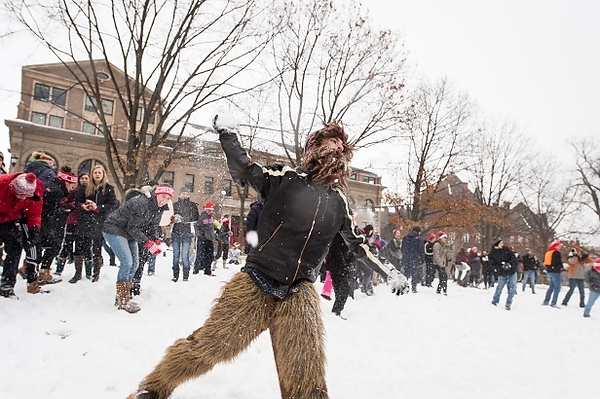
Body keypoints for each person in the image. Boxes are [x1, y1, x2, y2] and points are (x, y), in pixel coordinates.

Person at [124, 116, 405, 399]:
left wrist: (388, 271)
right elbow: (245, 170)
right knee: (213, 345)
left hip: (299, 290)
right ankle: (153, 388)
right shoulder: (286, 179)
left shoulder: (339, 201)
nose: (339, 148)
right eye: (333, 142)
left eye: (343, 146)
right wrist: (228, 134)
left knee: (306, 371)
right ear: (315, 147)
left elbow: (358, 245)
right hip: (257, 280)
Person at [103, 184, 173, 313]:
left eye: (168, 198)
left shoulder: (160, 208)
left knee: (135, 264)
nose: (164, 200)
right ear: (156, 193)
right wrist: (147, 243)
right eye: (163, 196)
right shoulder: (141, 202)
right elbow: (133, 227)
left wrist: (156, 239)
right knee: (127, 263)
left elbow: (153, 225)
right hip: (115, 228)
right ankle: (122, 301)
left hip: (129, 233)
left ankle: (124, 296)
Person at [70, 165, 119, 283]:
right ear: (92, 174)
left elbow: (112, 205)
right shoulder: (85, 187)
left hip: (99, 221)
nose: (97, 174)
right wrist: (83, 206)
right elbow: (77, 201)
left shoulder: (108, 188)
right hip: (84, 220)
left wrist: (98, 208)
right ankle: (77, 273)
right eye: (95, 172)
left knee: (97, 247)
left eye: (99, 173)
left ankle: (96, 273)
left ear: (103, 175)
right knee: (79, 246)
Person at [0, 172, 43, 298]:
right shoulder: (2, 184)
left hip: (11, 219)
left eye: (26, 195)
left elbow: (34, 213)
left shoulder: (36, 190)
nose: (23, 198)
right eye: (20, 194)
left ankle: (7, 285)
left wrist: (34, 228)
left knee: (15, 248)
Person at [34, 166, 79, 288]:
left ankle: (38, 271)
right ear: (66, 182)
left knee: (40, 247)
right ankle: (41, 273)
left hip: (39, 221)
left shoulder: (51, 185)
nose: (72, 188)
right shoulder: (56, 191)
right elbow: (51, 211)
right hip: (44, 223)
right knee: (53, 245)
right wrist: (66, 208)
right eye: (72, 185)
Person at [55, 172, 89, 276]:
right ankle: (59, 269)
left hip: (84, 223)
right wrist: (74, 205)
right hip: (72, 221)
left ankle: (86, 272)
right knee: (66, 245)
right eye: (82, 178)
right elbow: (64, 204)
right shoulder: (74, 192)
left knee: (84, 247)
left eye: (86, 178)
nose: (84, 180)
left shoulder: (91, 192)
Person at [170, 188, 199, 282]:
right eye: (183, 193)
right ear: (179, 195)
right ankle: (175, 274)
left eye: (187, 194)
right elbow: (169, 217)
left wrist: (184, 219)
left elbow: (196, 217)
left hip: (187, 232)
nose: (185, 195)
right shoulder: (174, 205)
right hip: (176, 232)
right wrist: (174, 218)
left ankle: (186, 274)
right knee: (175, 255)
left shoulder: (192, 205)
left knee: (185, 254)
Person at [489, 237, 518, 310]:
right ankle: (495, 301)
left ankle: (508, 303)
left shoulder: (506, 249)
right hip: (502, 273)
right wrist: (500, 267)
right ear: (496, 244)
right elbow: (492, 265)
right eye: (501, 243)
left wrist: (509, 264)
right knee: (499, 288)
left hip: (512, 271)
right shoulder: (492, 254)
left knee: (512, 288)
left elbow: (513, 258)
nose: (502, 244)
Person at [193, 201, 217, 276]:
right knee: (200, 254)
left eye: (212, 210)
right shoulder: (201, 216)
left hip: (209, 238)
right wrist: (200, 235)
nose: (210, 212)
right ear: (206, 209)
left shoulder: (212, 217)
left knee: (209, 255)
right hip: (202, 238)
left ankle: (207, 271)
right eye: (209, 210)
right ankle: (196, 269)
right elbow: (196, 226)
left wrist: (214, 234)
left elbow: (212, 227)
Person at [401, 226, 424, 293]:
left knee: (406, 272)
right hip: (414, 257)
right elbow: (421, 250)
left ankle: (404, 285)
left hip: (406, 257)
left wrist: (404, 255)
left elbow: (402, 248)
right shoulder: (419, 239)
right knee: (414, 273)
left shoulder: (405, 237)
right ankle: (414, 287)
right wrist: (422, 258)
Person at [542, 240, 564, 308]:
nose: (559, 247)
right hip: (555, 272)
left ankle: (546, 301)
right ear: (555, 246)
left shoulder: (548, 252)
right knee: (557, 288)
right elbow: (558, 262)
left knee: (551, 287)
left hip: (549, 271)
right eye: (559, 246)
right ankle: (553, 302)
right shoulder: (556, 253)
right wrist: (561, 268)